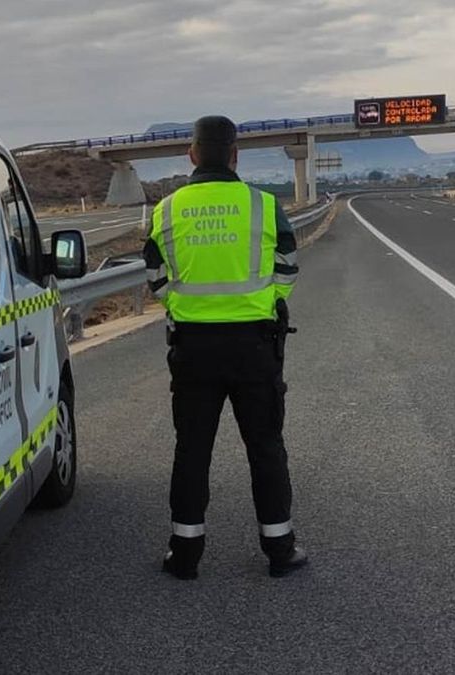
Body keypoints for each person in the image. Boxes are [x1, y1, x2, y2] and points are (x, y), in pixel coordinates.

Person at [143, 115, 308, 579]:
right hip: (255, 346)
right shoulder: (262, 204)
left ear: (192, 155)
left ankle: (186, 556)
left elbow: (156, 279)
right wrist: (267, 302)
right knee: (266, 447)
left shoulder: (166, 210)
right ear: (235, 155)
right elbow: (289, 267)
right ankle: (280, 551)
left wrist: (186, 307)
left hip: (192, 350)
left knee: (192, 451)